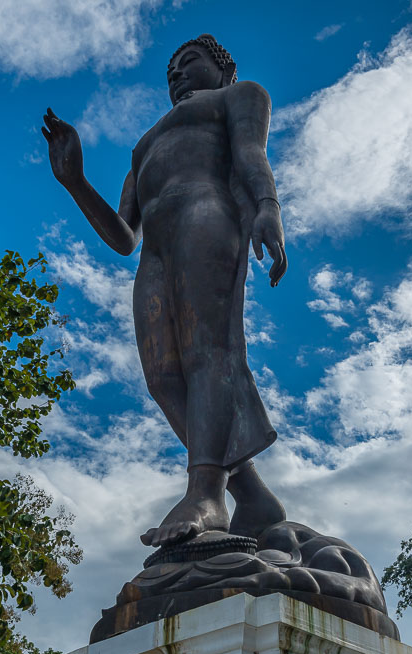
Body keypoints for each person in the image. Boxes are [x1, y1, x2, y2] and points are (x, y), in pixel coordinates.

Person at [42, 34, 288, 548]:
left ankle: (206, 493)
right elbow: (123, 237)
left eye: (188, 61)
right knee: (163, 376)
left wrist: (268, 206)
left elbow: (250, 154)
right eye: (169, 68)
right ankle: (252, 495)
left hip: (206, 214)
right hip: (153, 247)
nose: (176, 72)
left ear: (223, 70)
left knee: (208, 354)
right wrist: (74, 181)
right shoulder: (144, 146)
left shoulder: (238, 95)